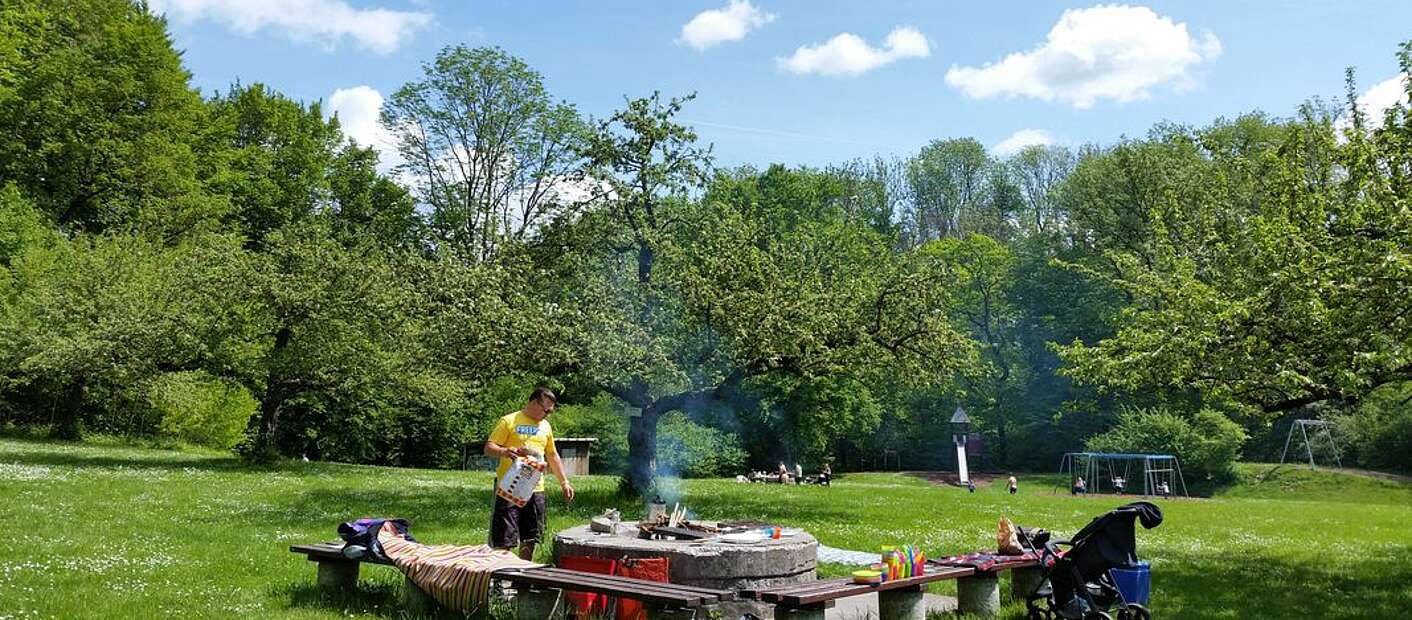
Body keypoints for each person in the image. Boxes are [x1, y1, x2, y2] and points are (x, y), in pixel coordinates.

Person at [484, 386, 574, 560]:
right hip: (510, 488)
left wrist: (564, 482)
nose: (548, 414)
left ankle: (522, 577)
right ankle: (502, 576)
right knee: (505, 536)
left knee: (530, 535)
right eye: (546, 410)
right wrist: (504, 451)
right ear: (534, 402)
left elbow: (552, 454)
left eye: (550, 412)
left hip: (535, 489)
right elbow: (489, 448)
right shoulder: (509, 421)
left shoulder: (545, 426)